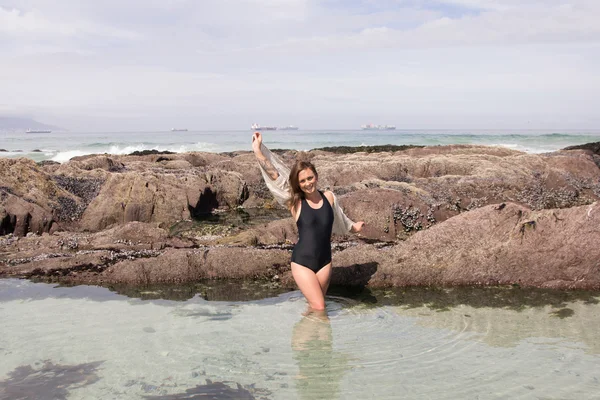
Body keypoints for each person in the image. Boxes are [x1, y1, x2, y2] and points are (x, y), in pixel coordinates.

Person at [252, 132, 364, 311]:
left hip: (325, 262)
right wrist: (258, 150)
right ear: (298, 184)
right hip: (302, 263)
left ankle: (306, 339)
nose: (307, 183)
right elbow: (274, 175)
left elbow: (341, 219)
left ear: (316, 177)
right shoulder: (295, 201)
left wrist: (355, 228)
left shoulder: (329, 197)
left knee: (315, 308)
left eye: (310, 178)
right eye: (302, 181)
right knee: (320, 307)